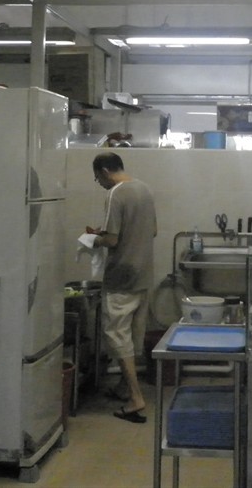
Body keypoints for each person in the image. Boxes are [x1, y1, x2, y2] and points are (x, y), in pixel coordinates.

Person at [87, 151, 157, 423]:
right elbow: (152, 231)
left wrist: (94, 240)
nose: (100, 183)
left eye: (97, 178)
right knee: (133, 334)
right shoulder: (144, 189)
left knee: (117, 335)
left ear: (105, 171)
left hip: (122, 277)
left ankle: (136, 398)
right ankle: (123, 386)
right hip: (143, 274)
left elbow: (113, 240)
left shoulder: (116, 193)